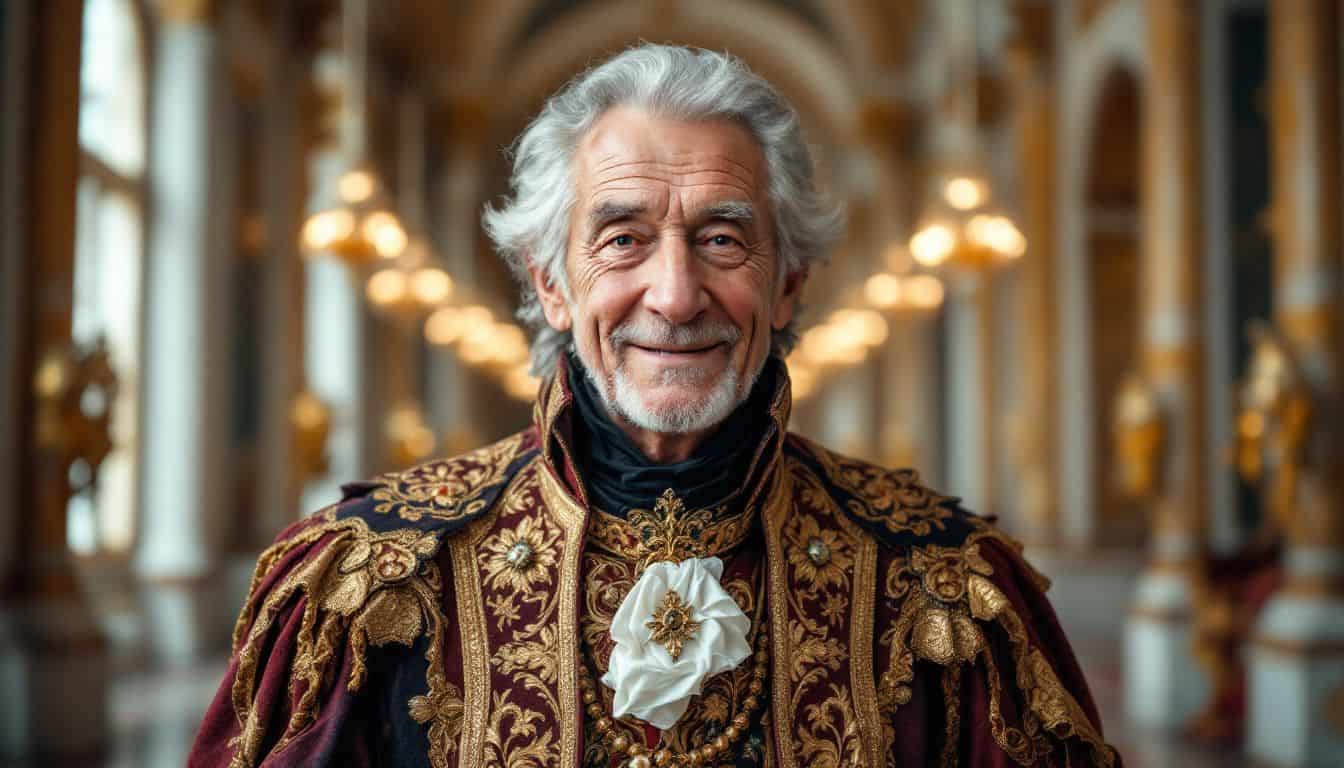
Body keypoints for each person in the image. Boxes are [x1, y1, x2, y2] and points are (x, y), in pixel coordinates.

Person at [190, 43, 1119, 768]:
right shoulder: (369, 585)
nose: (675, 295)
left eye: (722, 239)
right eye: (623, 239)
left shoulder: (949, 590)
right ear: (550, 282)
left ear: (788, 285)